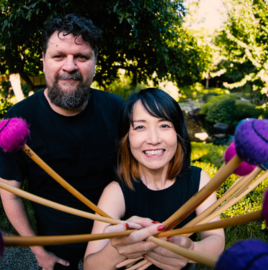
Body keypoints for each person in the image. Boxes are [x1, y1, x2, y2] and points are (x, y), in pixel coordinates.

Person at [0, 14, 124, 270]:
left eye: (81, 57)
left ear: (95, 62)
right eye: (58, 56)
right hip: (56, 247)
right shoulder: (18, 120)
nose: (70, 66)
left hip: (113, 239)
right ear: (43, 61)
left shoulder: (117, 110)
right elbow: (10, 193)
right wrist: (39, 251)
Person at [84, 88, 225, 270]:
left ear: (178, 132)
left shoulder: (198, 181)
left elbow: (216, 240)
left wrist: (191, 249)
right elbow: (90, 266)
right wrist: (115, 250)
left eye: (164, 125)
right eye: (140, 126)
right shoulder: (115, 192)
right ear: (127, 137)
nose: (153, 139)